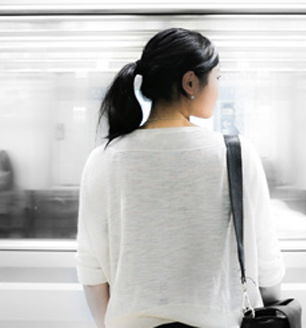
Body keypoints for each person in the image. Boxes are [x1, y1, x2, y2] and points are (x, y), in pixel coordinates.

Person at [76, 28, 285, 328]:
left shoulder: (103, 159)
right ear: (190, 82)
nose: (218, 87)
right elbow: (267, 266)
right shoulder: (236, 155)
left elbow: (91, 269)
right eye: (217, 78)